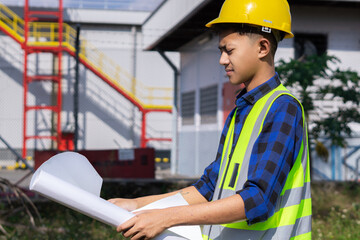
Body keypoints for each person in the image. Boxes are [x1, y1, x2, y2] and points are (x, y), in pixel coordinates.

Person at [108, 0, 312, 239]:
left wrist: (165, 217)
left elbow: (258, 199)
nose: (222, 60)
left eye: (229, 50)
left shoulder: (283, 108)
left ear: (263, 47)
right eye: (221, 51)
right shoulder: (242, 111)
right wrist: (138, 206)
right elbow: (208, 187)